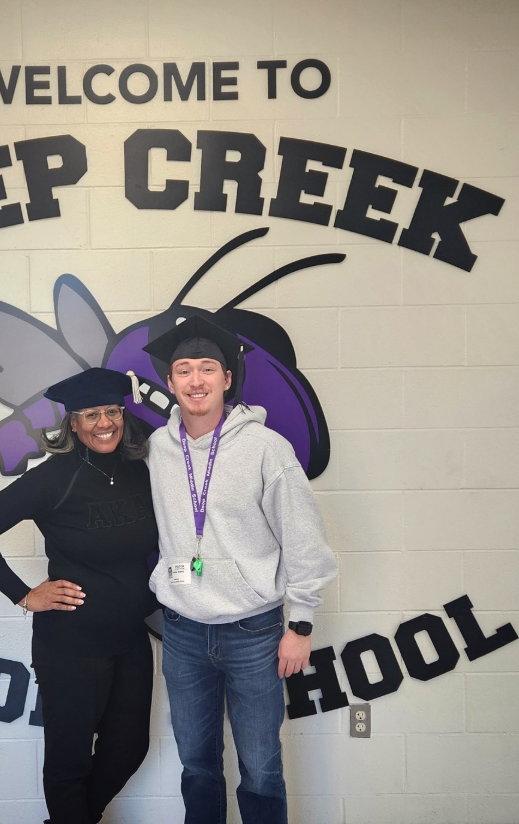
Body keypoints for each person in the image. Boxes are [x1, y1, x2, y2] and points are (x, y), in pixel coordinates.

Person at [142, 315, 337, 824]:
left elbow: (304, 541)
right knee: (197, 765)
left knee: (261, 767)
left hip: (254, 633)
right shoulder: (158, 451)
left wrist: (301, 624)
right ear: (169, 383)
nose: (196, 380)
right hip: (182, 632)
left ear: (228, 378)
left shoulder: (266, 449)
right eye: (183, 370)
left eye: (208, 368)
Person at [0, 367, 158, 824]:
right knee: (69, 763)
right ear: (72, 424)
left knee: (129, 748)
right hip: (69, 645)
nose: (103, 423)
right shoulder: (54, 478)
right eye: (90, 415)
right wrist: (23, 595)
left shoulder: (140, 471)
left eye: (112, 411)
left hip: (129, 640)